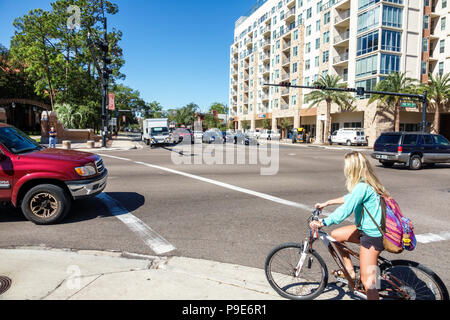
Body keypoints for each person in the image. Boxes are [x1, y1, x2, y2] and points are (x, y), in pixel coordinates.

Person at [310, 151, 388, 300]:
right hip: (366, 229)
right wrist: (328, 203)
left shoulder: (362, 186)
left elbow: (346, 209)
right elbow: (350, 198)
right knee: (335, 236)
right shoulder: (367, 182)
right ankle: (350, 270)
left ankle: (372, 284)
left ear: (352, 168)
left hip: (372, 236)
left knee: (368, 283)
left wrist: (323, 222)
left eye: (346, 166)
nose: (345, 169)